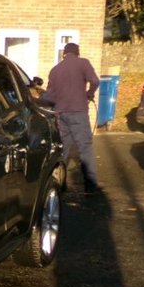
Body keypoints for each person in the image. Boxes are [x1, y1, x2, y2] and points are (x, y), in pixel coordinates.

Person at [42, 42, 101, 192]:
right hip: (78, 112)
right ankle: (91, 187)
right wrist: (89, 93)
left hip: (61, 114)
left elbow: (49, 95)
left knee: (63, 150)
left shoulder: (55, 70)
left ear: (64, 54)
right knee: (85, 148)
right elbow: (95, 81)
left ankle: (60, 185)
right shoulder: (83, 63)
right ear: (77, 53)